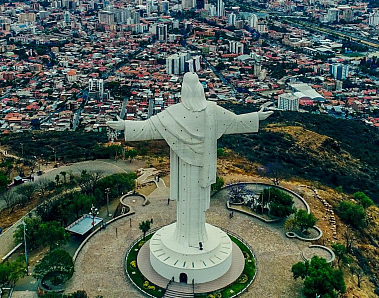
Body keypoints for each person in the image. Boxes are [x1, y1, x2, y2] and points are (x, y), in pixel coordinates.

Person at [108, 72, 272, 247]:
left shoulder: (174, 113)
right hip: (200, 167)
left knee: (192, 201)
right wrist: (256, 117)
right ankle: (189, 236)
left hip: (188, 169)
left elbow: (148, 127)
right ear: (200, 89)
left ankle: (190, 235)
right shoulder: (212, 110)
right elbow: (236, 122)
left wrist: (125, 125)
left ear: (183, 91)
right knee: (193, 201)